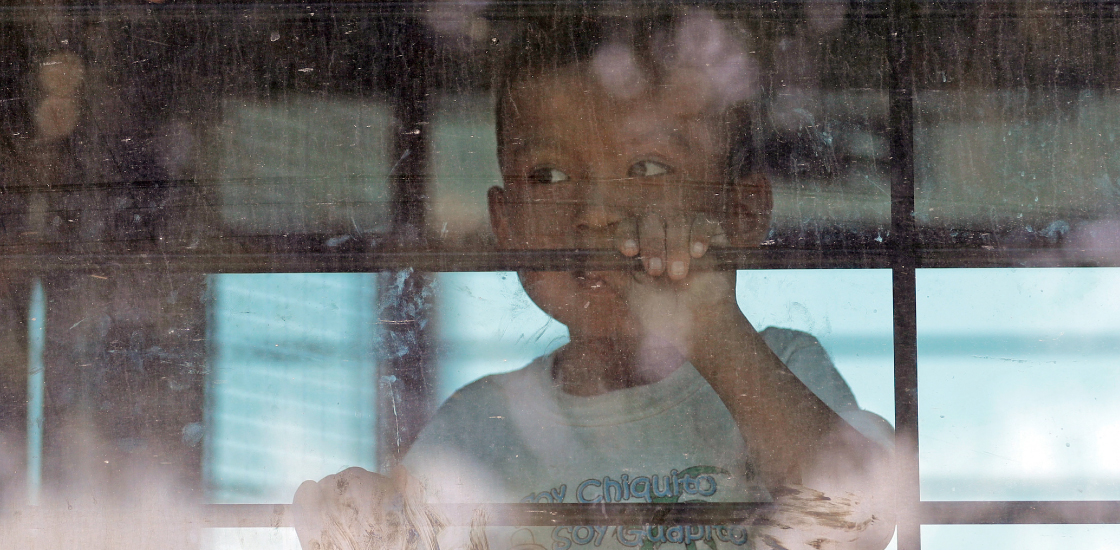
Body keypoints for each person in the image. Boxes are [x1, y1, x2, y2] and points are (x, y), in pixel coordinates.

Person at [293, 11, 895, 550]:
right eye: (549, 175)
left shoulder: (781, 364)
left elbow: (861, 522)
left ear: (742, 211)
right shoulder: (481, 422)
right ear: (506, 223)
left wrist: (710, 326)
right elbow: (400, 533)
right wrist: (357, 519)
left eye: (649, 167)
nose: (597, 211)